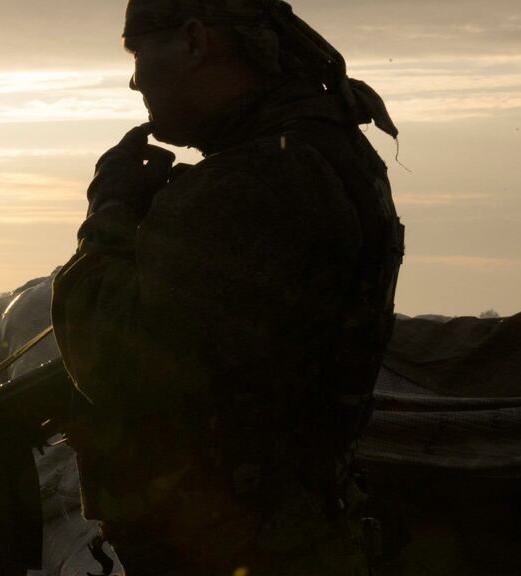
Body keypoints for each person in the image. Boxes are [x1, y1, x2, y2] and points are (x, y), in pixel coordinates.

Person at [51, 1, 405, 575]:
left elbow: (113, 362)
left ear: (194, 41)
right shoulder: (319, 152)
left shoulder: (250, 180)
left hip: (232, 548)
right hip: (291, 534)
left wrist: (109, 214)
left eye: (139, 52)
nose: (135, 79)